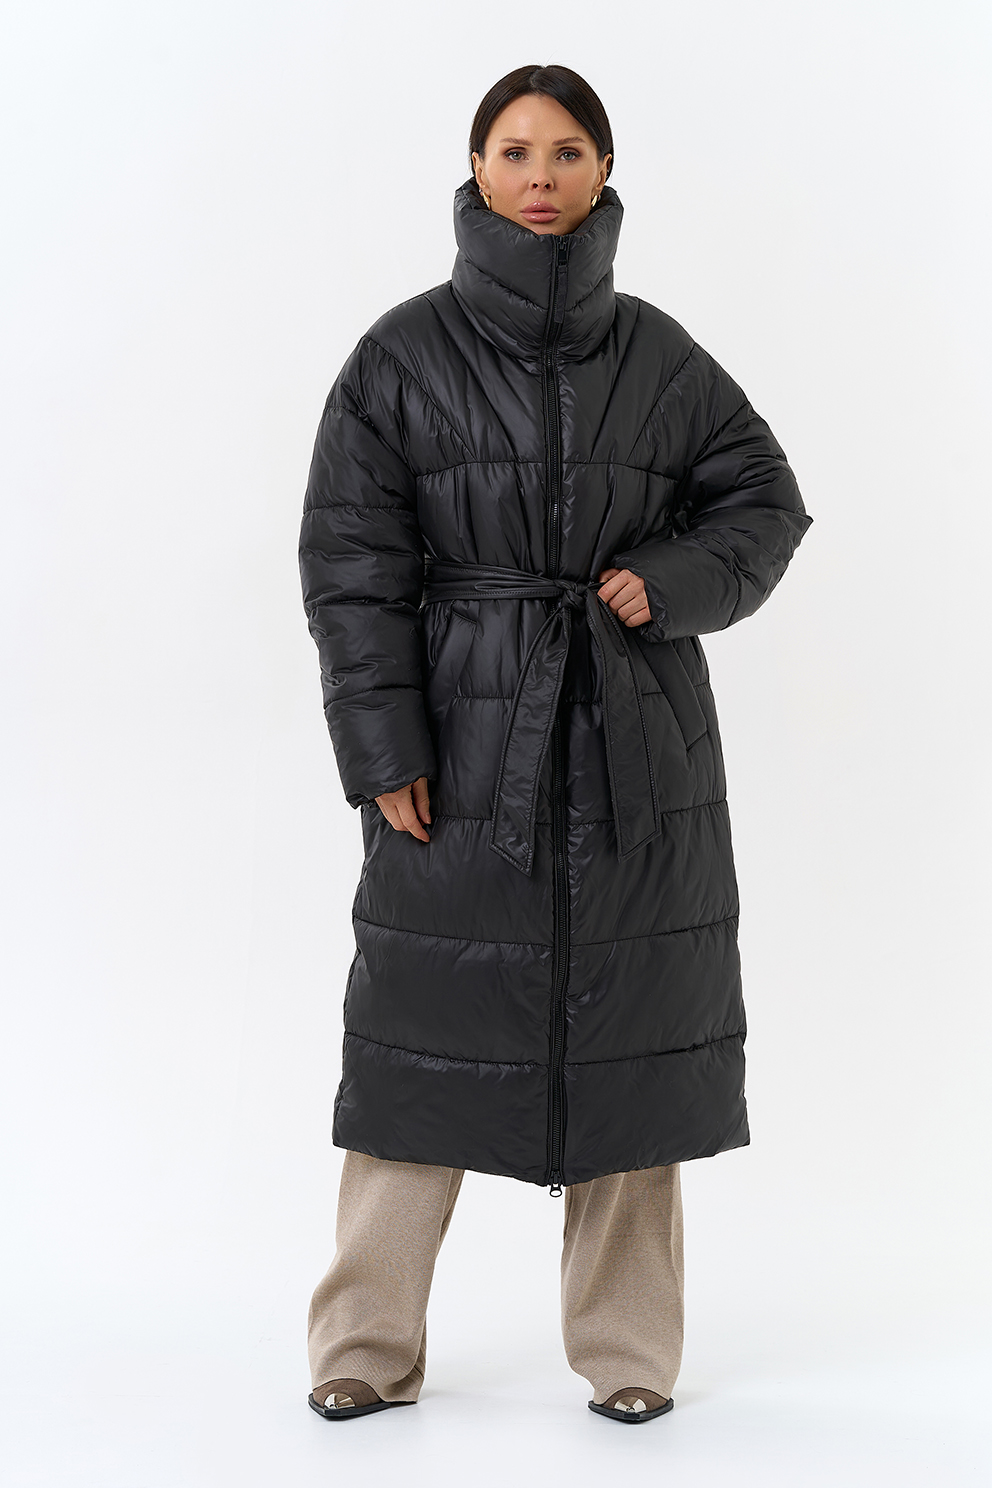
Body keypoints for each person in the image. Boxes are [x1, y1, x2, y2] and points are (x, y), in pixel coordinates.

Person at [298, 63, 812, 1425]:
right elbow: (350, 566)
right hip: (465, 753)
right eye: (516, 150)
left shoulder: (660, 354)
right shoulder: (402, 356)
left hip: (635, 748)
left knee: (632, 1048)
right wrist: (383, 748)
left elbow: (766, 505)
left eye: (568, 150)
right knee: (417, 1047)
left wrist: (670, 582)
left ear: (603, 171)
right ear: (477, 169)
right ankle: (364, 1349)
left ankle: (630, 1356)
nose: (540, 174)